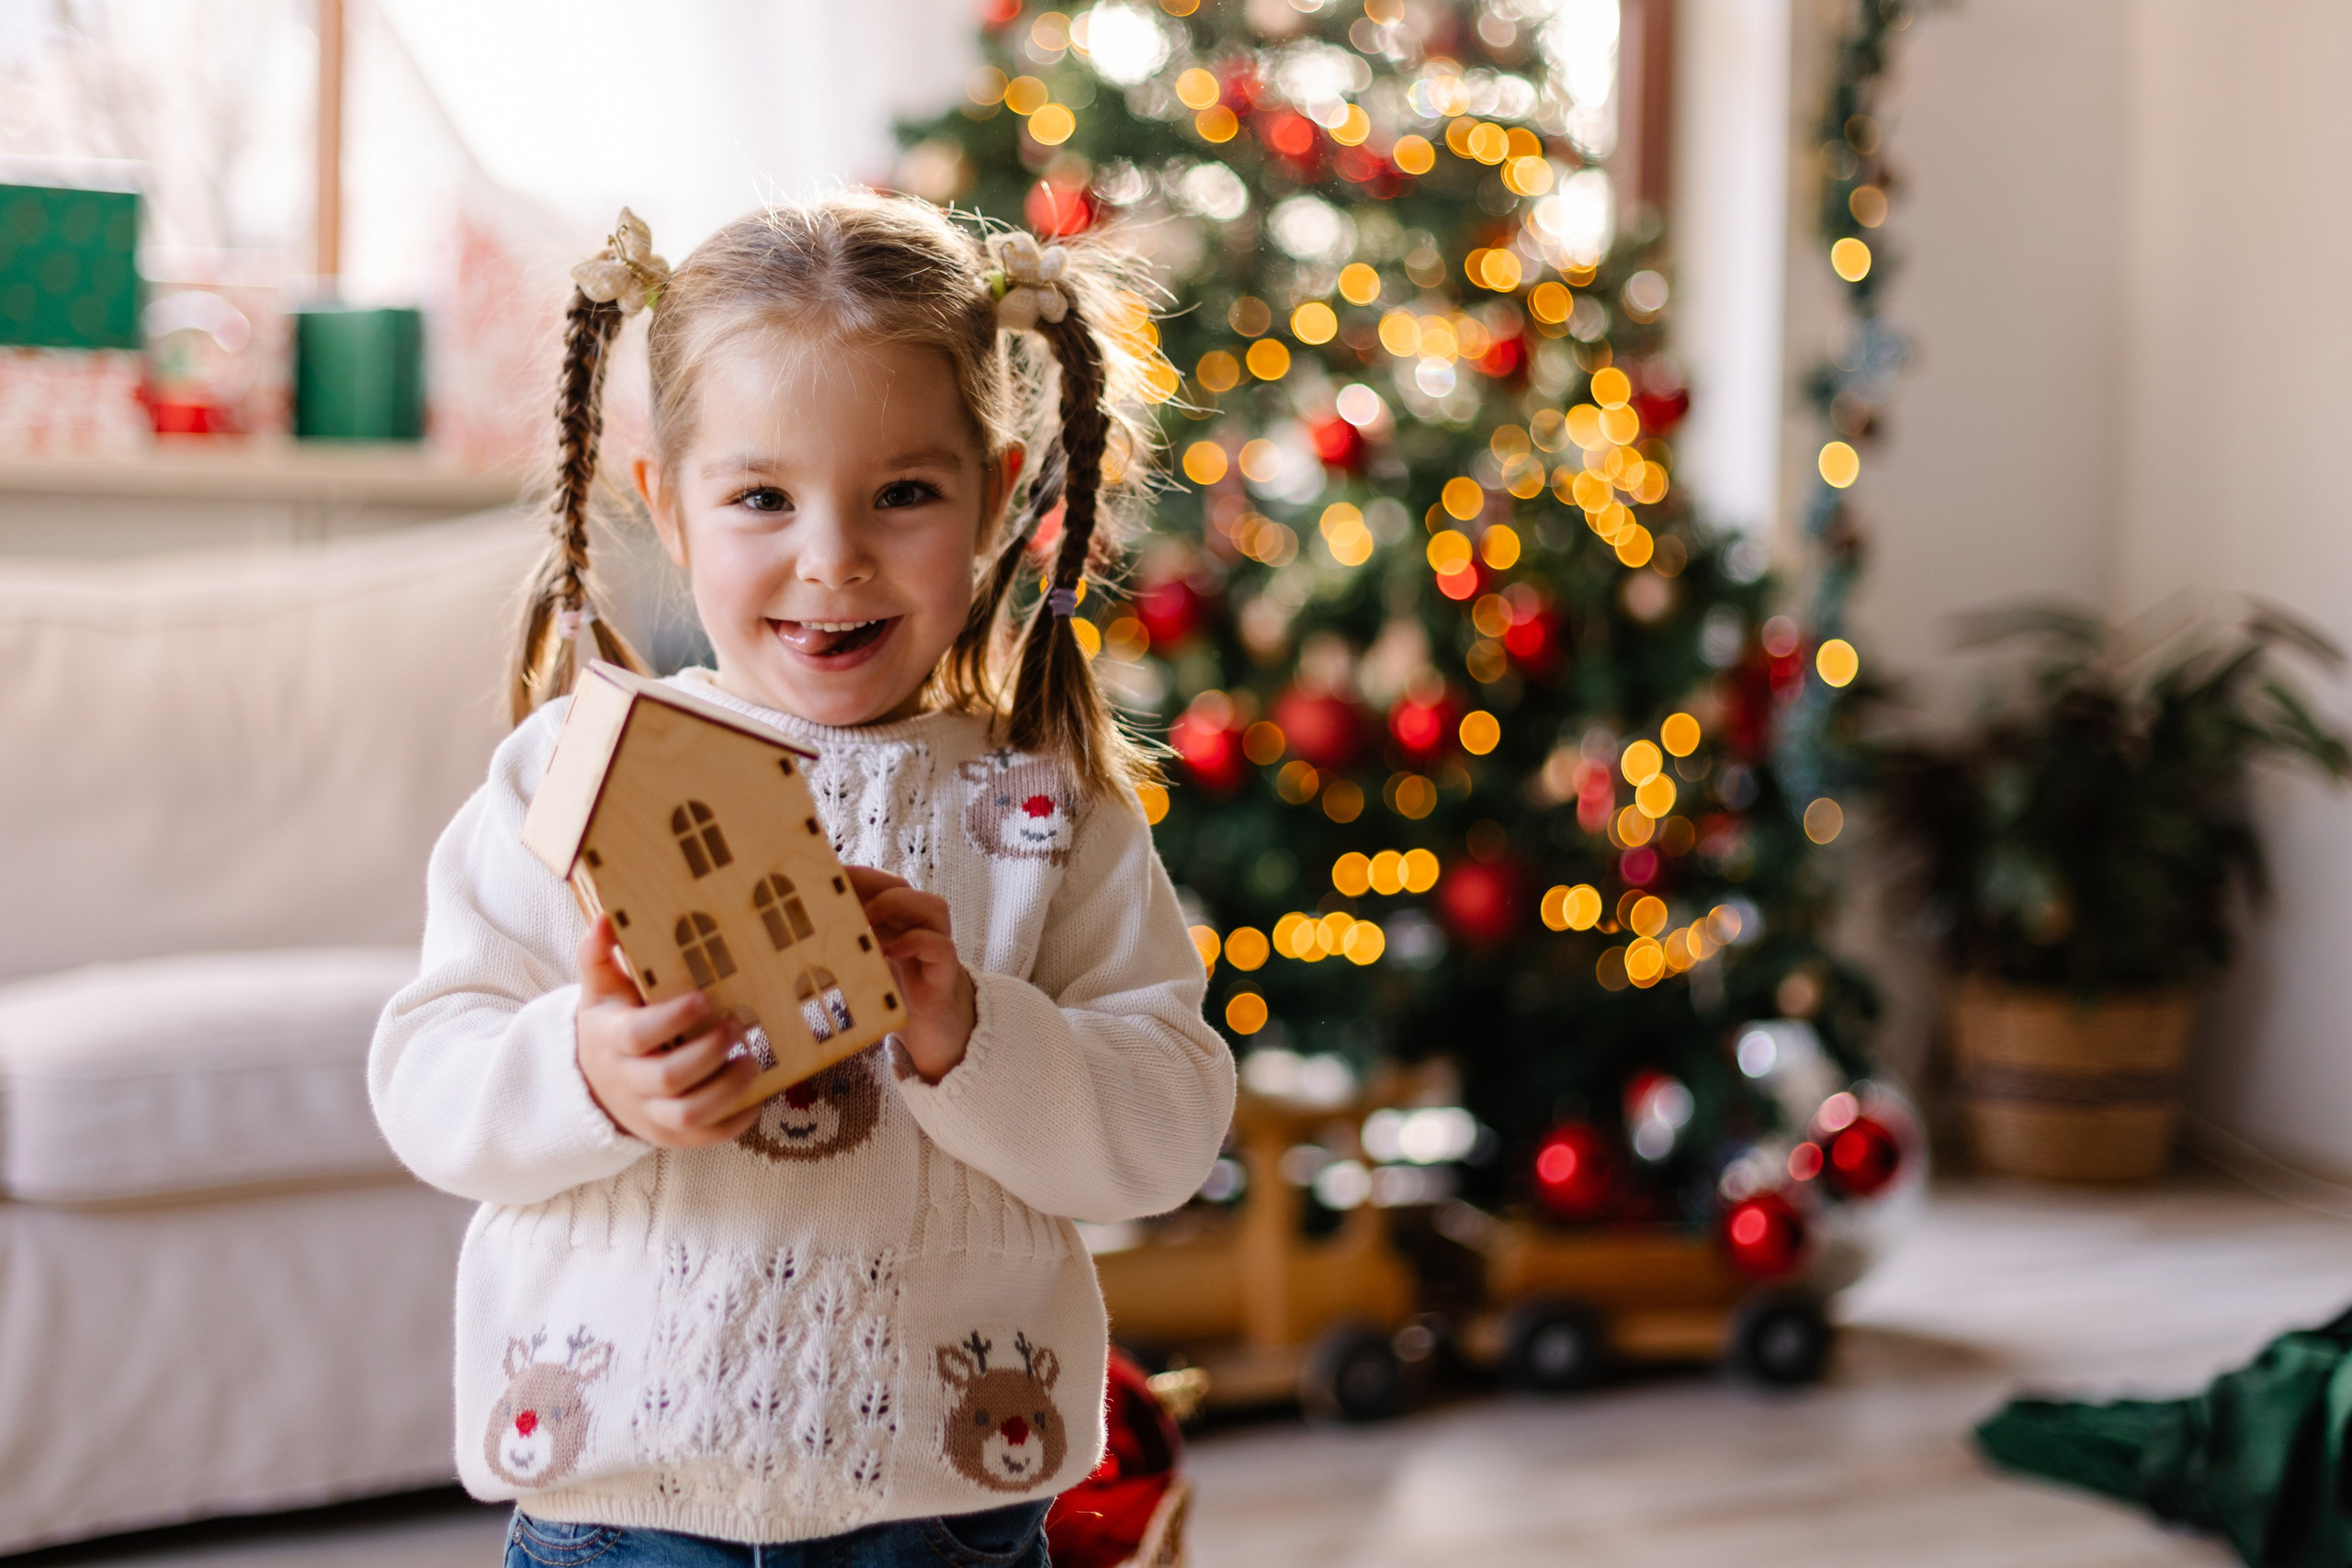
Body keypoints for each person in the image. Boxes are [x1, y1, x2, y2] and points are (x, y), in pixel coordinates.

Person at [369, 196, 1234, 1568]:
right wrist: (590, 1071)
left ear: (997, 494)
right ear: (666, 503)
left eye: (902, 495)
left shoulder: (1041, 809)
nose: (830, 557)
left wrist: (973, 1034)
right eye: (762, 497)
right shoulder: (573, 772)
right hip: (626, 1505)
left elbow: (1171, 1123)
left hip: (933, 1510)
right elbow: (428, 1078)